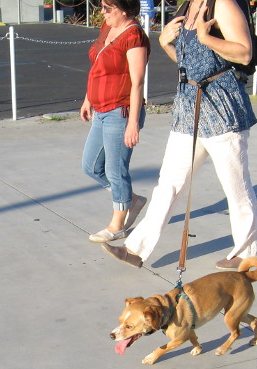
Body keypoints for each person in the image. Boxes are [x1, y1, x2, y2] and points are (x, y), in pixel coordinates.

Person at [102, 0, 257, 270]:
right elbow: (193, 62)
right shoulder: (187, 7)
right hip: (189, 108)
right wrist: (166, 44)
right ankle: (135, 249)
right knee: (169, 184)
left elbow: (244, 53)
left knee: (236, 187)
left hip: (220, 108)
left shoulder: (222, 4)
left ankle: (248, 254)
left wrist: (205, 36)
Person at [80, 0, 150, 243]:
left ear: (124, 9)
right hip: (100, 109)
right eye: (101, 7)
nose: (102, 12)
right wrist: (88, 98)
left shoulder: (134, 36)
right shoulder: (107, 29)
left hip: (120, 111)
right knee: (91, 166)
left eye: (107, 8)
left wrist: (133, 122)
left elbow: (137, 81)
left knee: (115, 170)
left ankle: (116, 225)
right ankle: (131, 200)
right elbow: (97, 68)